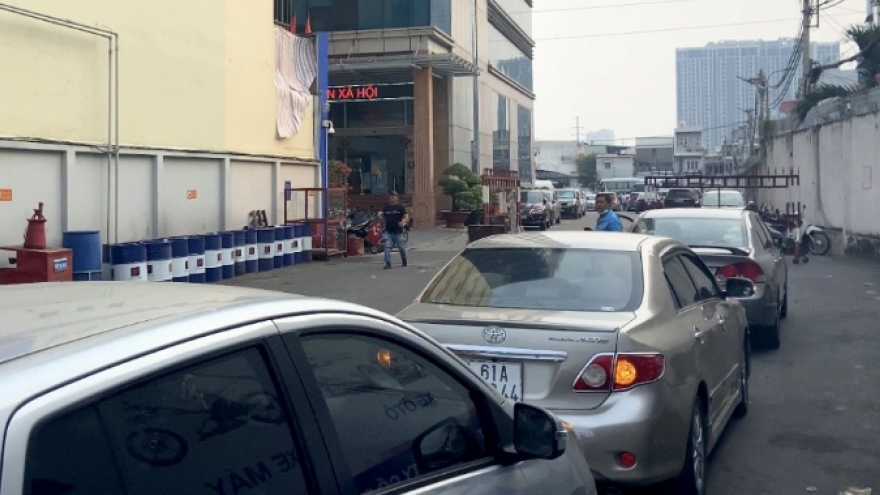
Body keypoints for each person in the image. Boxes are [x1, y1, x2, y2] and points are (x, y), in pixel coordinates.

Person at [380, 191, 409, 269]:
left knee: (401, 247)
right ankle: (388, 263)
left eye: (393, 195)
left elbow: (406, 217)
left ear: (397, 198)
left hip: (398, 232)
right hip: (388, 231)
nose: (392, 197)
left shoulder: (400, 207)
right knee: (387, 246)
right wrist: (381, 224)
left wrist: (403, 222)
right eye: (390, 195)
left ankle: (404, 260)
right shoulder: (386, 207)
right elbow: (383, 218)